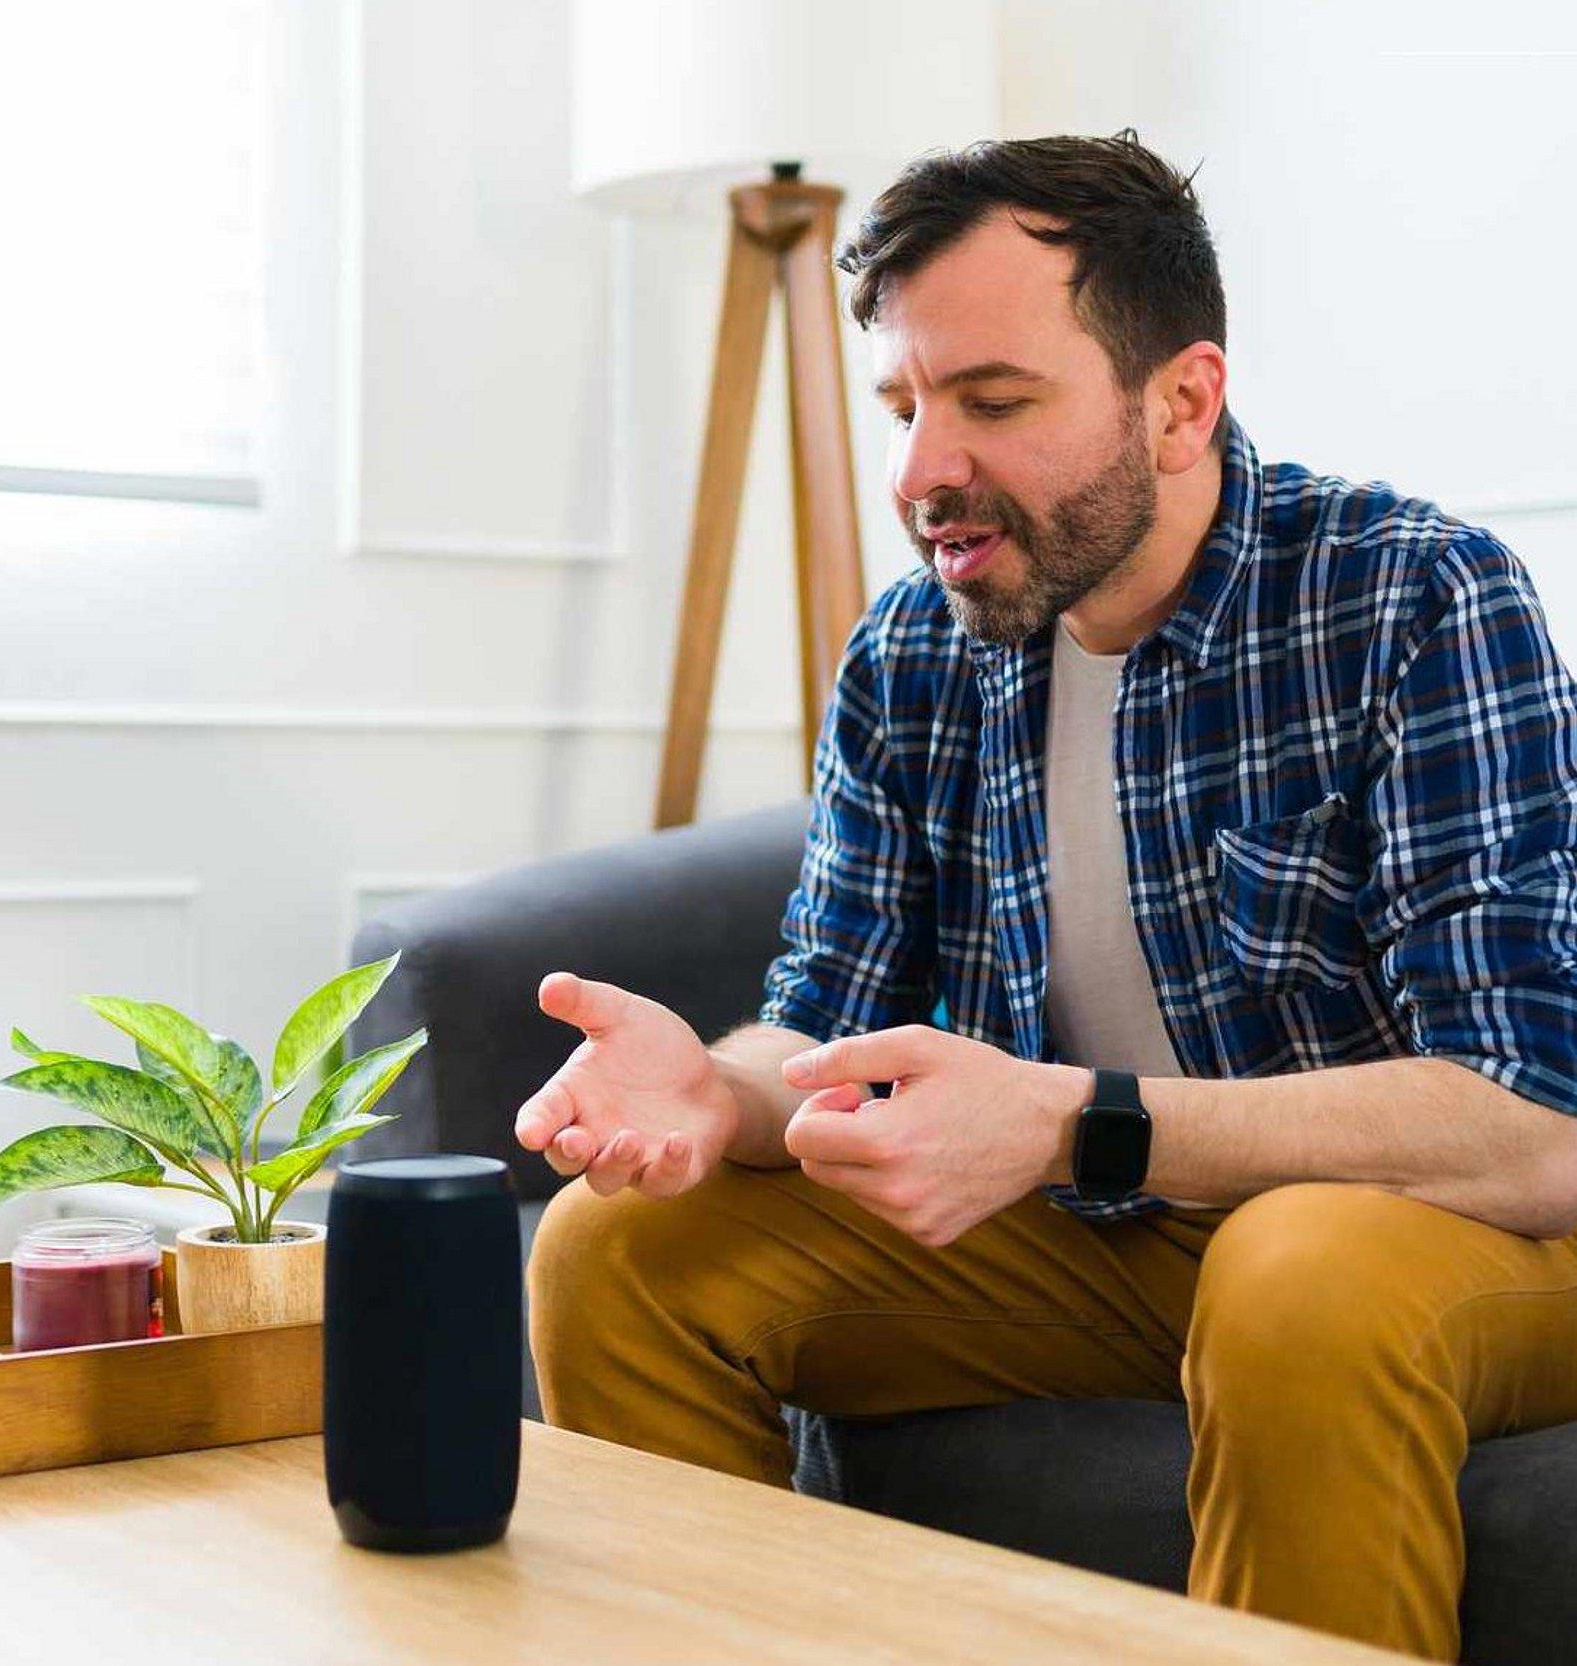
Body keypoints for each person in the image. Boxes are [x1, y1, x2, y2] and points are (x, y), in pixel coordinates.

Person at [517, 131, 1577, 1663]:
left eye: (992, 403)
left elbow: (1528, 1119)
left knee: (1298, 1270)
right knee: (615, 1254)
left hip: (1455, 1240)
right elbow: (817, 1024)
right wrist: (715, 1089)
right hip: (1118, 1235)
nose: (920, 473)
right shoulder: (915, 653)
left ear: (1181, 401)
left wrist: (1075, 1117)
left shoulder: (1410, 595)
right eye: (903, 406)